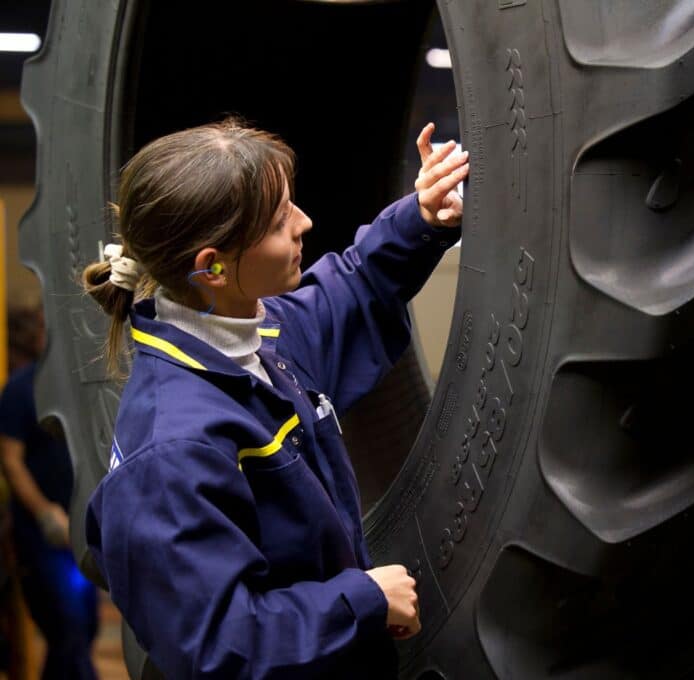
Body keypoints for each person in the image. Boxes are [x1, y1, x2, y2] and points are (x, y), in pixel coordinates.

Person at [81, 118, 468, 678]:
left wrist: (421, 216)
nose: (304, 222)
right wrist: (363, 600)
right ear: (212, 267)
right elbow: (213, 646)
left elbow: (352, 286)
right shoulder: (171, 450)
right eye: (280, 219)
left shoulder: (255, 338)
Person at [0, 360, 99, 680]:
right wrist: (43, 512)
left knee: (85, 628)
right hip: (43, 538)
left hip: (79, 534)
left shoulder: (75, 386)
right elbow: (10, 460)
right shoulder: (20, 388)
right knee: (67, 630)